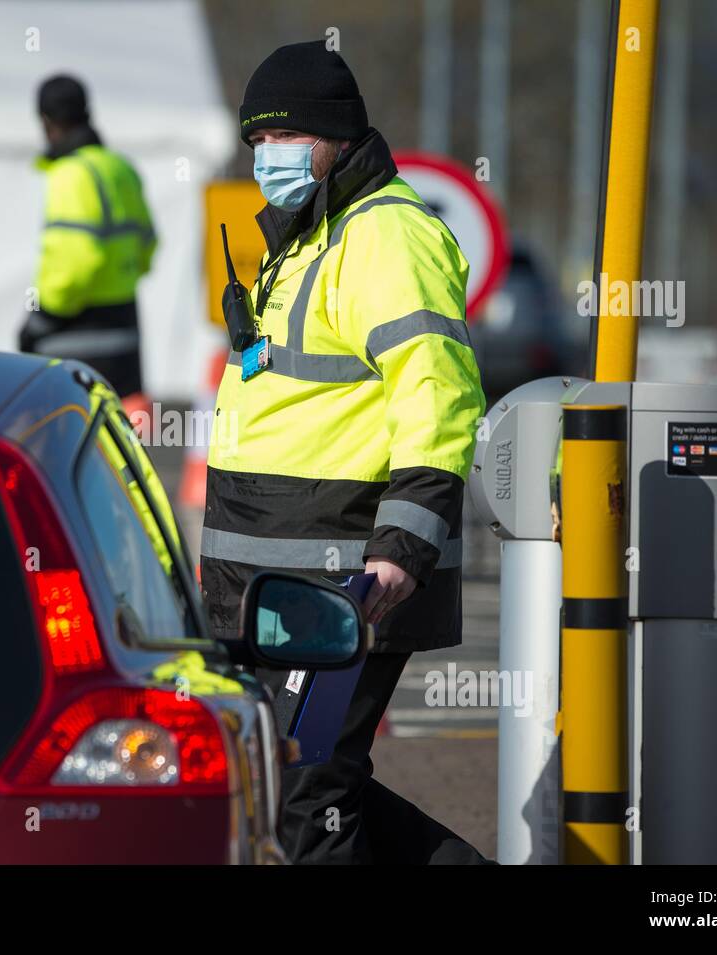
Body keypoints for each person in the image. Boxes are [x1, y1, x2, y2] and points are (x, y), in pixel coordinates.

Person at [200, 41, 486, 863]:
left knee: (303, 791)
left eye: (281, 137)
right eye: (255, 143)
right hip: (277, 584)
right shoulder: (305, 237)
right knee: (304, 781)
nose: (266, 158)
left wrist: (401, 548)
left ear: (332, 136)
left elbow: (437, 392)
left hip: (345, 581)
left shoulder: (387, 236)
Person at [19, 75, 156, 402]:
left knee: (64, 444)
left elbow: (75, 264)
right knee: (114, 446)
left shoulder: (70, 174)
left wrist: (38, 322)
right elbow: (148, 246)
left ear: (46, 120)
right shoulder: (120, 168)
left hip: (74, 343)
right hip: (125, 334)